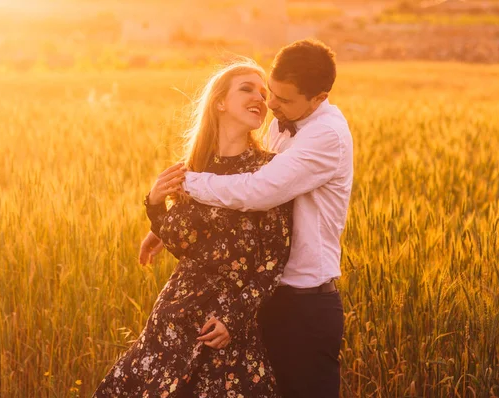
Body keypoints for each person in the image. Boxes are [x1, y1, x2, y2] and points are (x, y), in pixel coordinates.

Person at [140, 39, 353, 398]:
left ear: (318, 98)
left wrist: (185, 183)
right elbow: (231, 223)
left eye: (283, 100)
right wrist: (165, 219)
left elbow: (257, 193)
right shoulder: (281, 123)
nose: (271, 104)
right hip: (261, 303)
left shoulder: (326, 135)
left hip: (303, 304)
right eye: (272, 93)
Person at [93, 59, 293, 398]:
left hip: (225, 326)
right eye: (247, 88)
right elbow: (183, 241)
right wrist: (155, 204)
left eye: (263, 92)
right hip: (175, 315)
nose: (260, 97)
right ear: (219, 102)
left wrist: (233, 318)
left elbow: (273, 261)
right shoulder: (193, 169)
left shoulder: (268, 169)